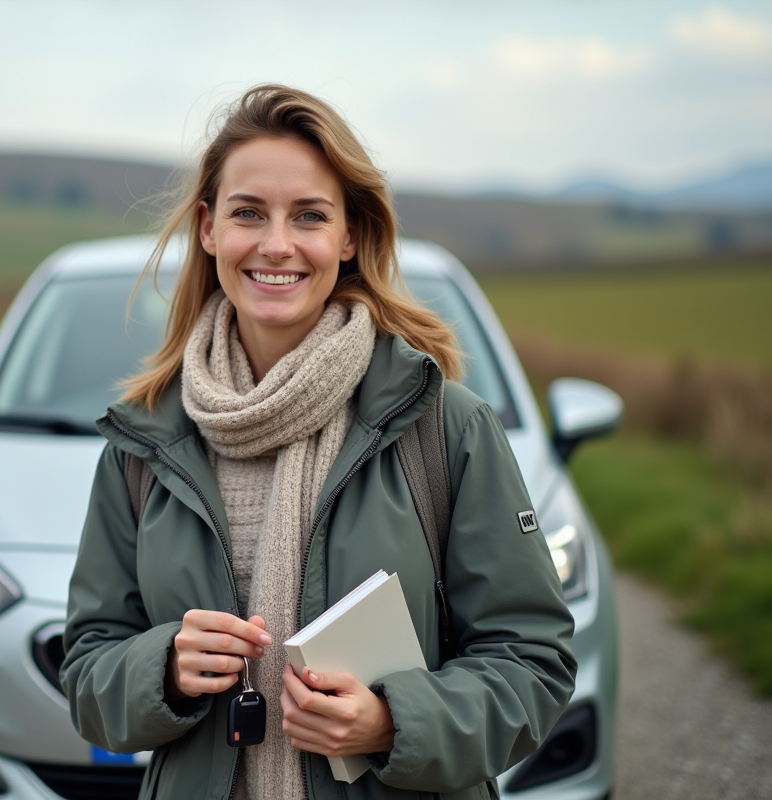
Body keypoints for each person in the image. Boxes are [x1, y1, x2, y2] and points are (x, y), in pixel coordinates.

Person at [61, 84, 576, 800]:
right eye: (249, 213)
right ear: (209, 229)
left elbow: (533, 661)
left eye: (309, 216)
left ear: (350, 235)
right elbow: (87, 671)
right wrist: (163, 669)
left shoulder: (446, 428)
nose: (277, 244)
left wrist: (396, 722)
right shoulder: (144, 440)